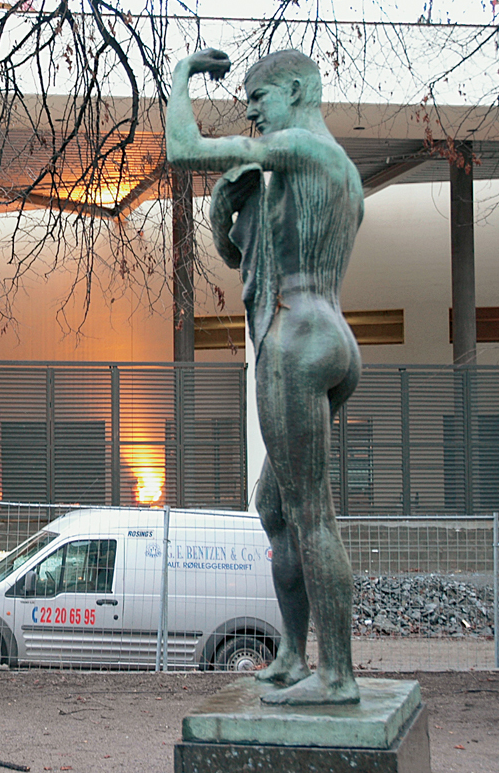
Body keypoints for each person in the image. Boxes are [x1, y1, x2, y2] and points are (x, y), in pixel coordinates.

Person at [166, 48, 363, 706]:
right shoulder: (329, 173)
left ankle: (336, 673)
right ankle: (290, 655)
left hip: (295, 340)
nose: (250, 109)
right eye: (245, 97)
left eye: (261, 95)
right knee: (275, 506)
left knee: (310, 512)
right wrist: (223, 214)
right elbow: (245, 255)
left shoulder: (302, 148)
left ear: (300, 89)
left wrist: (181, 76)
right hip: (328, 332)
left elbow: (182, 148)